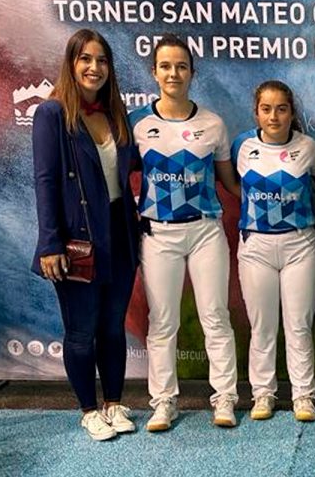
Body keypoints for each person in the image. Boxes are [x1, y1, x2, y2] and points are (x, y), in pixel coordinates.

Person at [32, 29, 140, 441]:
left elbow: (130, 168)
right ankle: (89, 410)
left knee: (112, 326)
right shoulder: (52, 114)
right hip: (78, 239)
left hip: (120, 232)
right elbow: (45, 181)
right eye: (86, 59)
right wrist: (50, 243)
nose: (95, 68)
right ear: (72, 63)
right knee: (81, 330)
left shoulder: (116, 111)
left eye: (102, 60)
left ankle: (114, 403)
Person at [129, 34, 240, 431]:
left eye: (181, 66)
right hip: (159, 236)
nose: (173, 73)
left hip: (206, 233)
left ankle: (225, 398)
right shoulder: (139, 125)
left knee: (215, 316)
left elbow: (230, 182)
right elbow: (115, 175)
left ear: (192, 72)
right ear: (154, 71)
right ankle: (163, 402)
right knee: (162, 321)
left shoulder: (212, 124)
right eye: (165, 66)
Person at [231, 81, 315, 422]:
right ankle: (263, 395)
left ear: (292, 112)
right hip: (256, 247)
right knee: (263, 326)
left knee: (299, 325)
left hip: (300, 245)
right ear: (256, 112)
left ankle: (303, 396)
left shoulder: (309, 147)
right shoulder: (242, 145)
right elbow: (232, 184)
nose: (274, 116)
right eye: (266, 109)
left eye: (281, 109)